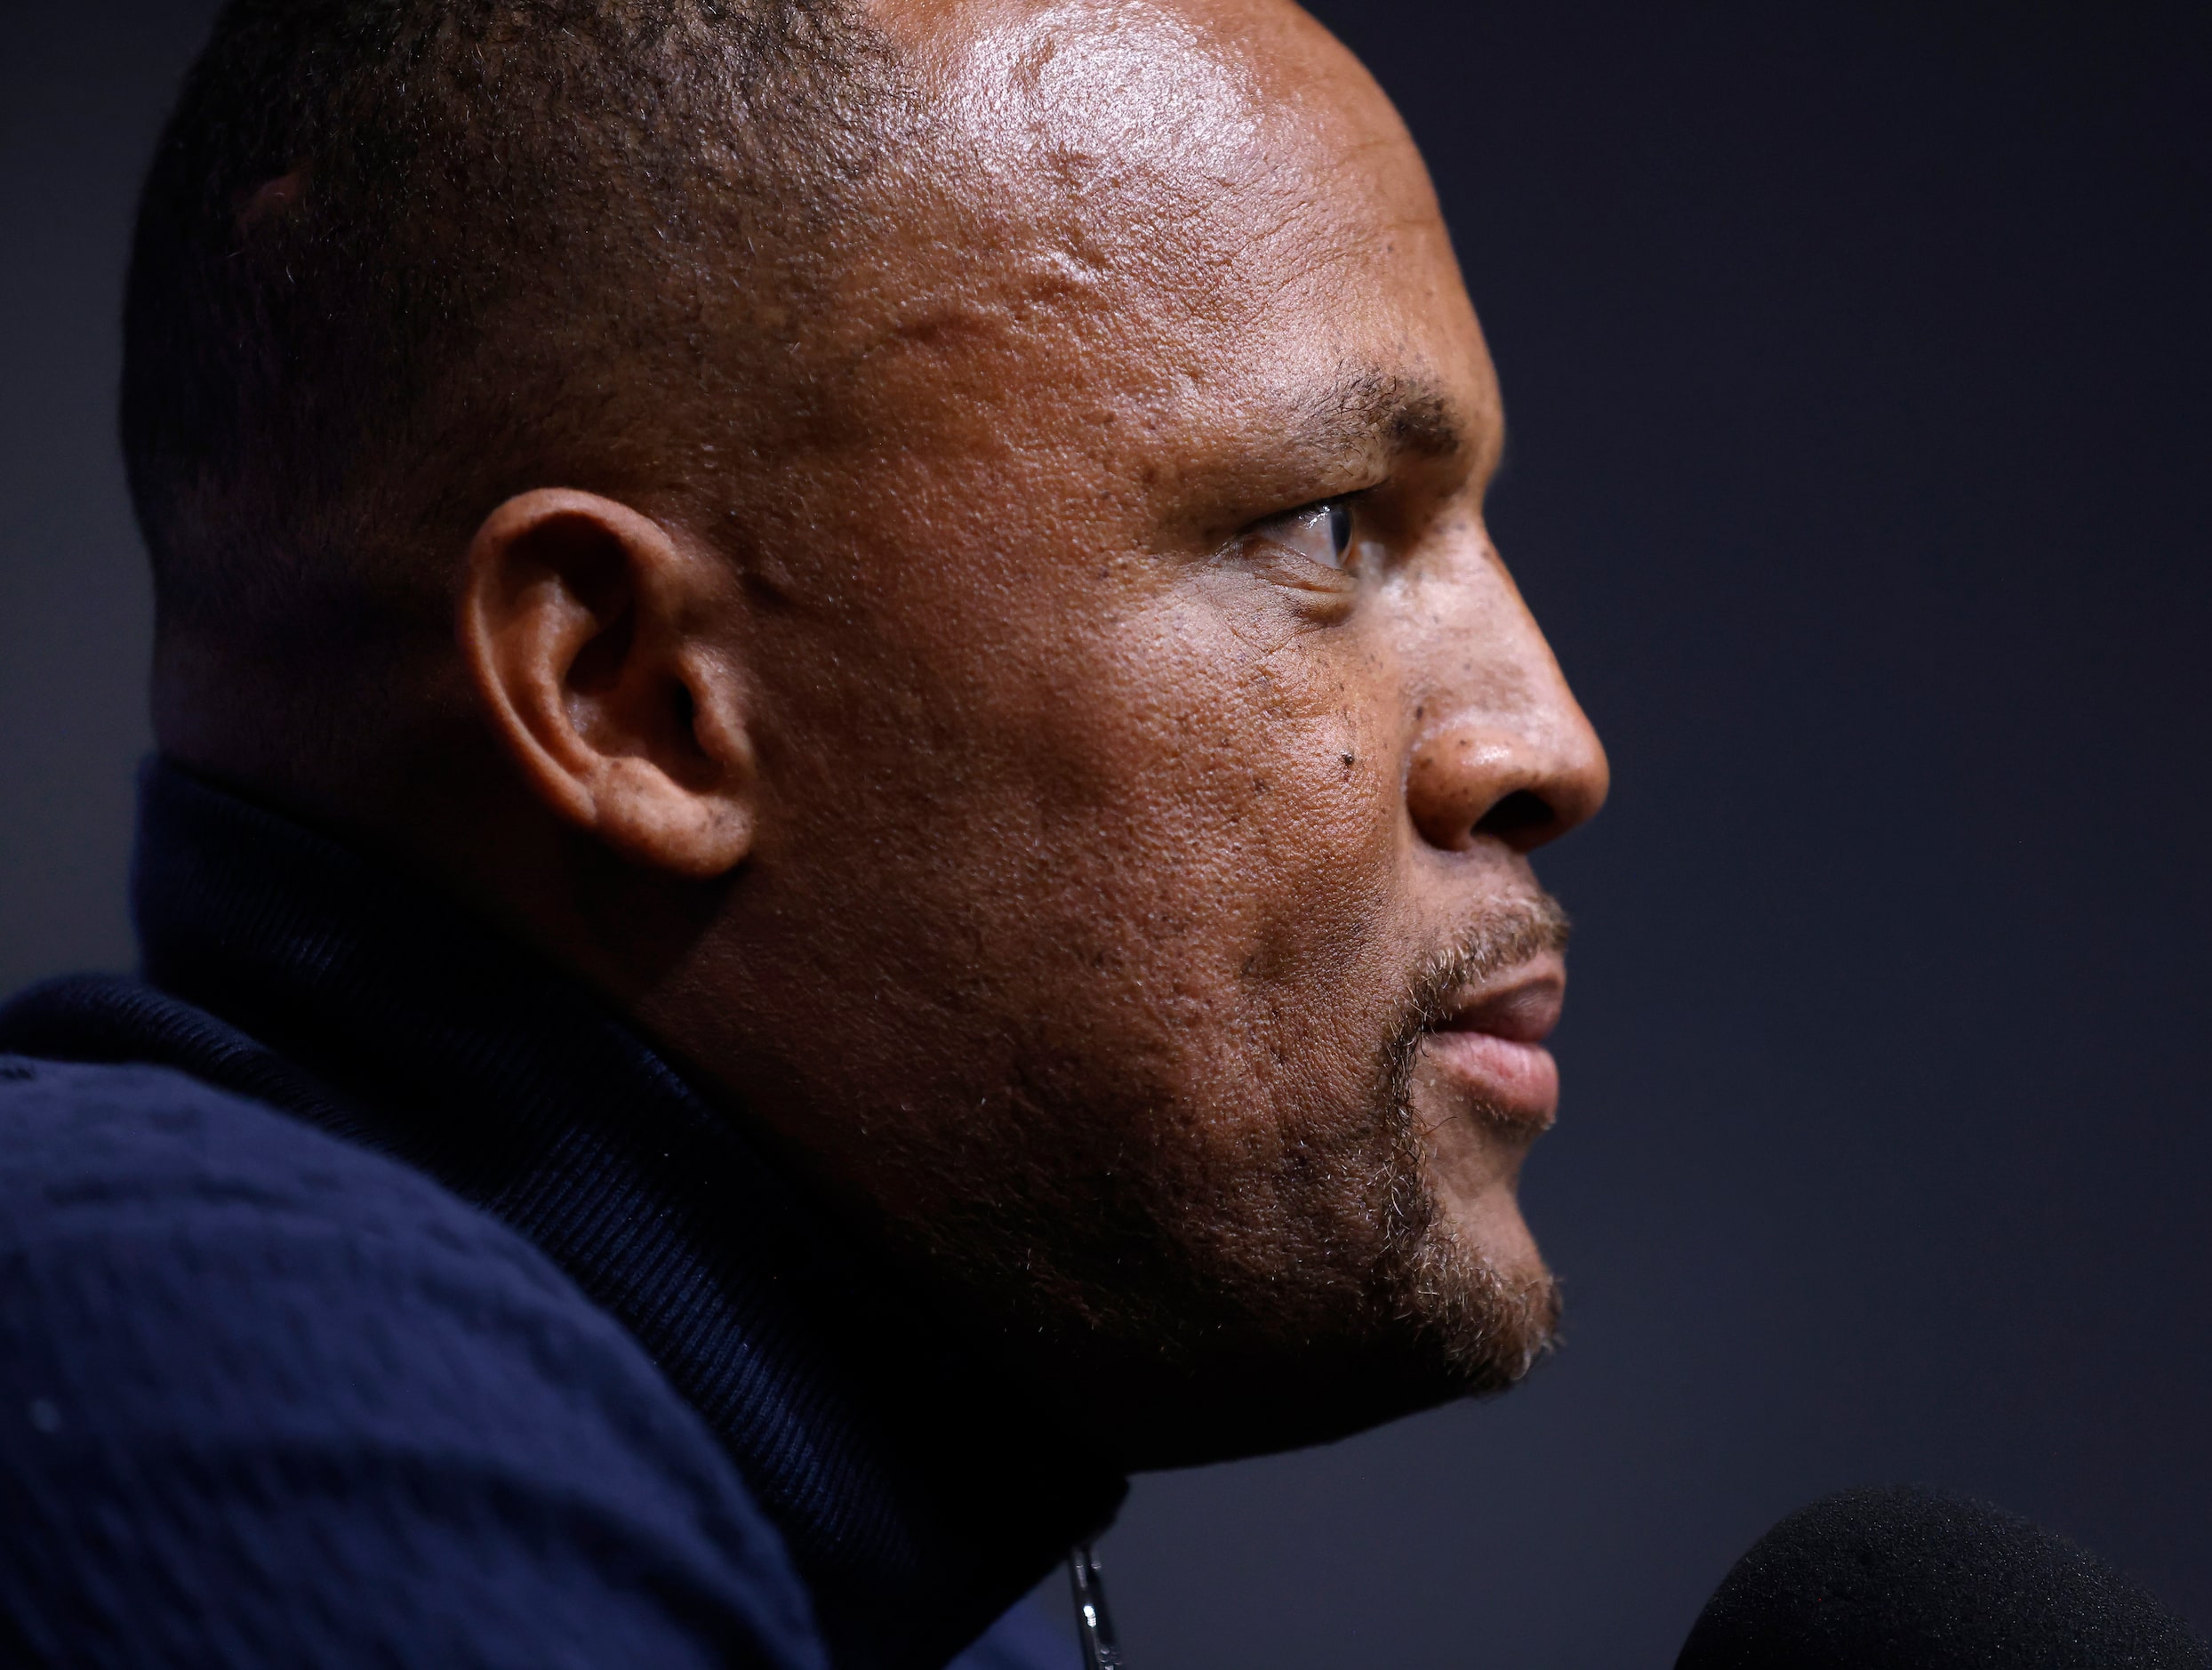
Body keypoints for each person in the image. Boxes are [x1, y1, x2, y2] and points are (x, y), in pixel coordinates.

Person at [0, 0, 1607, 1663]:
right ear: (637, 700)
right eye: (1327, 527)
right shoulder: (240, 1405)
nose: (1549, 746)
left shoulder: (876, 1552)